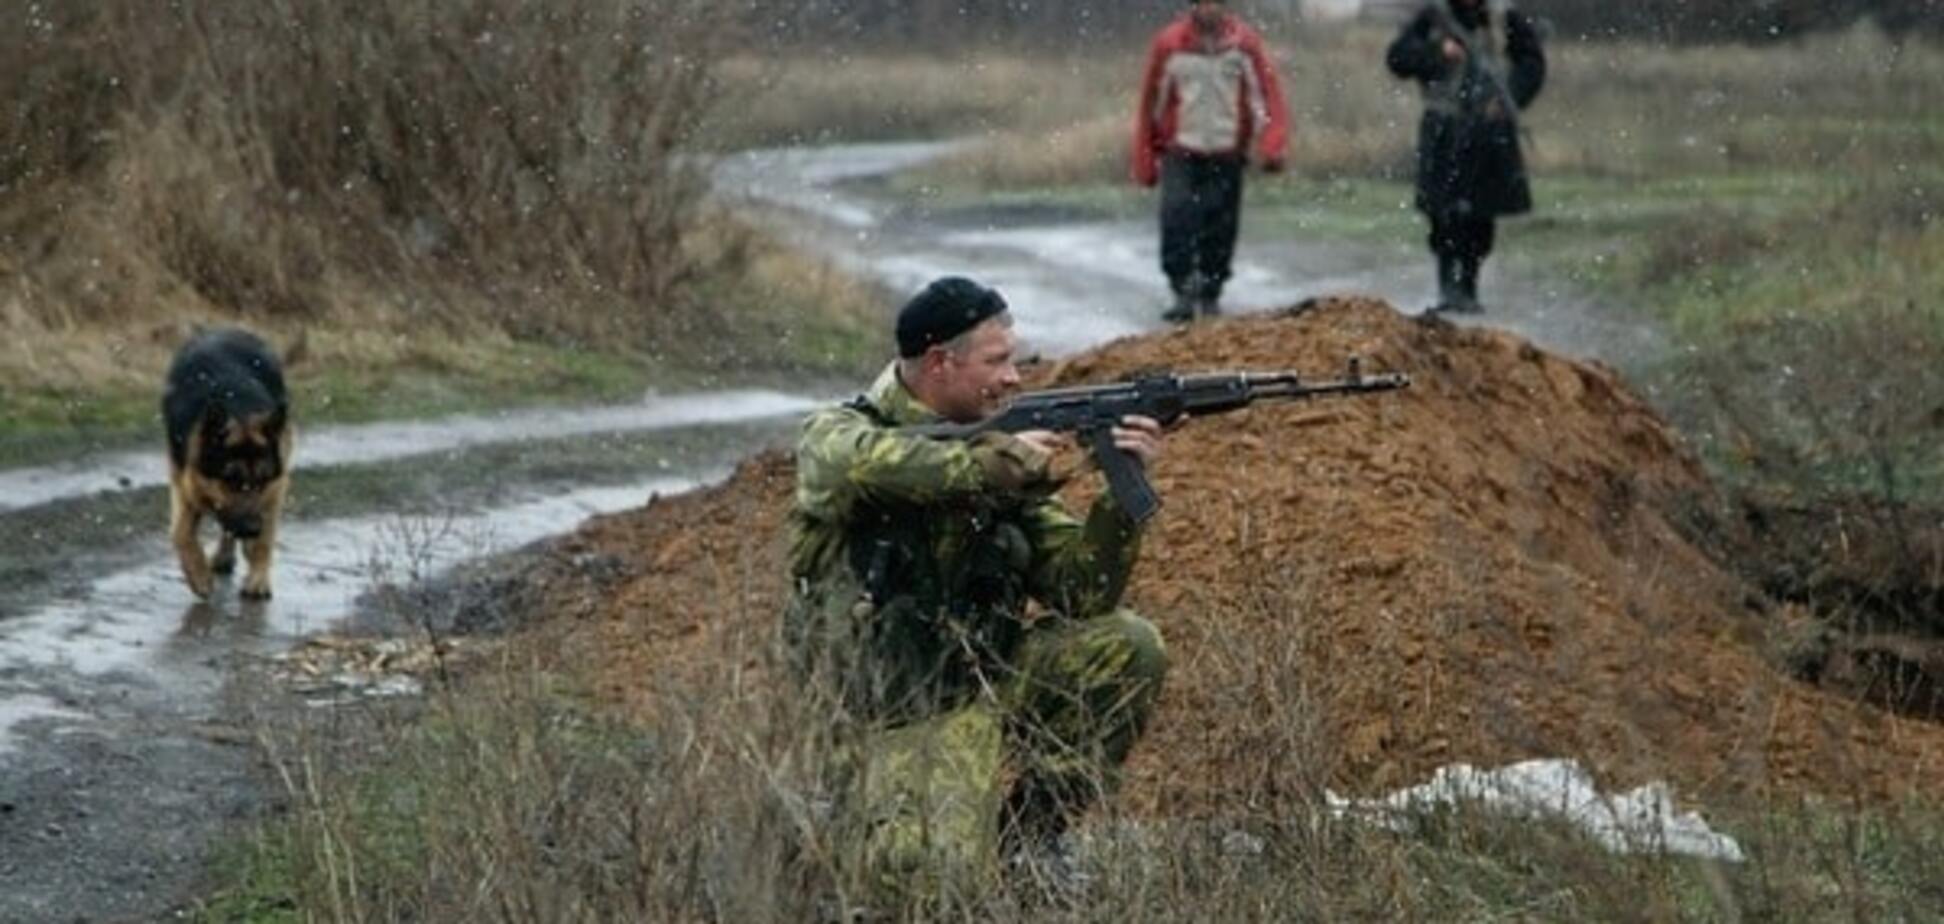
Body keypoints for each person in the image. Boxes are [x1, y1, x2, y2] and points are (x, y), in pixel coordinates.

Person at [783, 276, 1170, 908]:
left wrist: (1119, 500)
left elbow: (1081, 592)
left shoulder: (994, 446)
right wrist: (999, 465)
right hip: (892, 718)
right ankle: (838, 817)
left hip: (984, 683)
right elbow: (858, 465)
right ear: (940, 362)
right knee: (925, 883)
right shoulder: (839, 434)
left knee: (1128, 646)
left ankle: (1029, 842)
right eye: (998, 361)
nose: (1015, 378)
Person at [1132, 0, 1290, 324]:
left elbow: (1267, 97)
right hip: (1180, 149)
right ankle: (1182, 290)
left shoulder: (1244, 45)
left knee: (1220, 225)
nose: (1210, 10)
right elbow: (1150, 104)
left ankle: (1211, 291)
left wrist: (1272, 145)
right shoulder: (1170, 44)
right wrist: (1145, 158)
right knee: (1176, 219)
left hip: (1227, 151)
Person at [1387, 0, 1546, 314]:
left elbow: (1532, 64)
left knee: (1481, 216)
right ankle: (1449, 287)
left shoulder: (1504, 19)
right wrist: (1436, 53)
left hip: (1490, 133)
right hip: (1444, 129)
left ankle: (1468, 285)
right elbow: (1398, 58)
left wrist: (1509, 98)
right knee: (1443, 215)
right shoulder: (1434, 17)